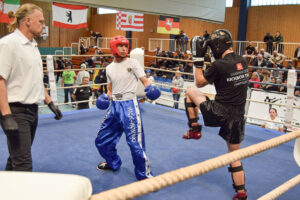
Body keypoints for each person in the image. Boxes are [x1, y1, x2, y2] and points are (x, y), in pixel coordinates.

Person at [184, 30, 248, 200]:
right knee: (234, 156)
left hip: (219, 112)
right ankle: (241, 193)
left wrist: (198, 61)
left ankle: (195, 128)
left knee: (190, 91)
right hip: (238, 117)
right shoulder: (243, 61)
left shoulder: (219, 66)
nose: (212, 51)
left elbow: (199, 82)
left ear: (218, 46)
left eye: (212, 48)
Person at [0, 3, 62, 171]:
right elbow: (0, 81)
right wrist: (6, 115)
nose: (44, 26)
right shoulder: (8, 44)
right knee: (24, 165)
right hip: (16, 112)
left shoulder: (33, 46)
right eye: (41, 22)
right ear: (27, 21)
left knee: (17, 158)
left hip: (32, 111)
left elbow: (35, 79)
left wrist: (50, 102)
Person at [94, 36, 161, 180]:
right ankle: (113, 162)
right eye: (120, 46)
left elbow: (145, 81)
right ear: (113, 47)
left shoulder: (133, 62)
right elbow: (110, 90)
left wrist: (150, 87)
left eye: (126, 46)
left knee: (135, 144)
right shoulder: (109, 68)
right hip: (114, 107)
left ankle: (145, 175)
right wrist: (106, 97)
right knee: (101, 140)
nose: (124, 48)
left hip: (130, 106)